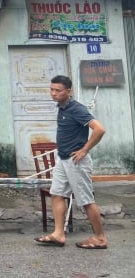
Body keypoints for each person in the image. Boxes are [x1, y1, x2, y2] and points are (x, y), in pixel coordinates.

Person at [34, 75, 108, 249]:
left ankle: (100, 238)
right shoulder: (62, 108)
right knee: (57, 194)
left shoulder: (76, 109)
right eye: (51, 89)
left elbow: (100, 129)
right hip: (63, 158)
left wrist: (84, 149)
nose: (53, 93)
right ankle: (58, 234)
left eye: (58, 90)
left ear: (69, 91)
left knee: (86, 201)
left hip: (77, 161)